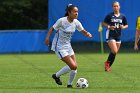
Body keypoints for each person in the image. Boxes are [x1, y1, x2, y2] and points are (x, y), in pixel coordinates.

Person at [45, 4, 92, 88]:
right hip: (59, 47)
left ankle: (69, 84)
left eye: (77, 12)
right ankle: (56, 76)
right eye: (74, 12)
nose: (76, 13)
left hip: (68, 46)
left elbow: (83, 30)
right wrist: (47, 38)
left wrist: (87, 33)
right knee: (73, 66)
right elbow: (52, 28)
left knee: (74, 68)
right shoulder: (62, 21)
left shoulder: (76, 22)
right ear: (69, 12)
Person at [103, 1, 128, 72]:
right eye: (114, 6)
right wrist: (109, 26)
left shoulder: (122, 16)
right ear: (112, 7)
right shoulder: (109, 15)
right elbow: (104, 23)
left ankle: (108, 66)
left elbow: (126, 25)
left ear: (119, 7)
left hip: (118, 36)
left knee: (115, 52)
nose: (116, 7)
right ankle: (107, 64)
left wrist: (123, 27)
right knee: (114, 50)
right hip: (110, 35)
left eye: (117, 6)